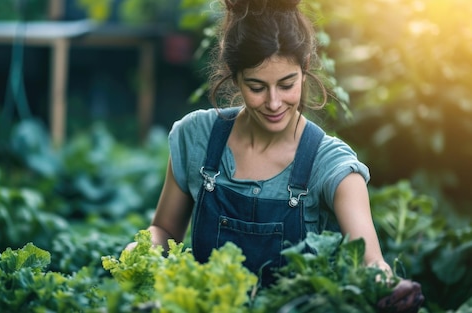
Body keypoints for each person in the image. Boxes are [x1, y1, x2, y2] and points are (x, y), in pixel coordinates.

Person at [126, 0, 424, 311]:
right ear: (235, 76)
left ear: (305, 67)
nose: (273, 102)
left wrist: (386, 286)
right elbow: (165, 229)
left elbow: (370, 260)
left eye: (286, 85)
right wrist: (143, 249)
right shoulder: (197, 137)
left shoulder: (331, 164)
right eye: (257, 87)